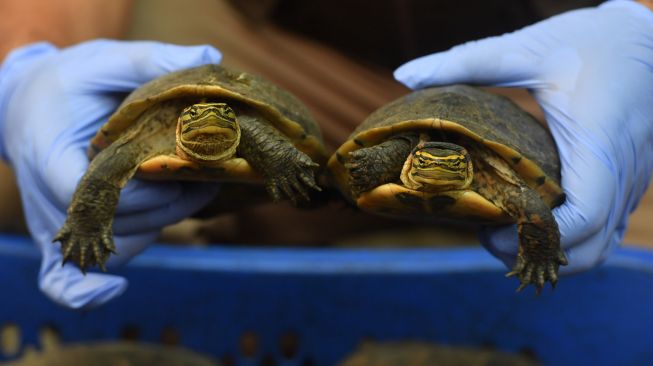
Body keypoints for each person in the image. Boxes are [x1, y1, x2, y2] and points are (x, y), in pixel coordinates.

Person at [0, 0, 651, 309]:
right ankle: (260, 218)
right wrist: (26, 70)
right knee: (40, 153)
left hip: (564, 89)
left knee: (619, 273)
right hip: (277, 52)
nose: (199, 124)